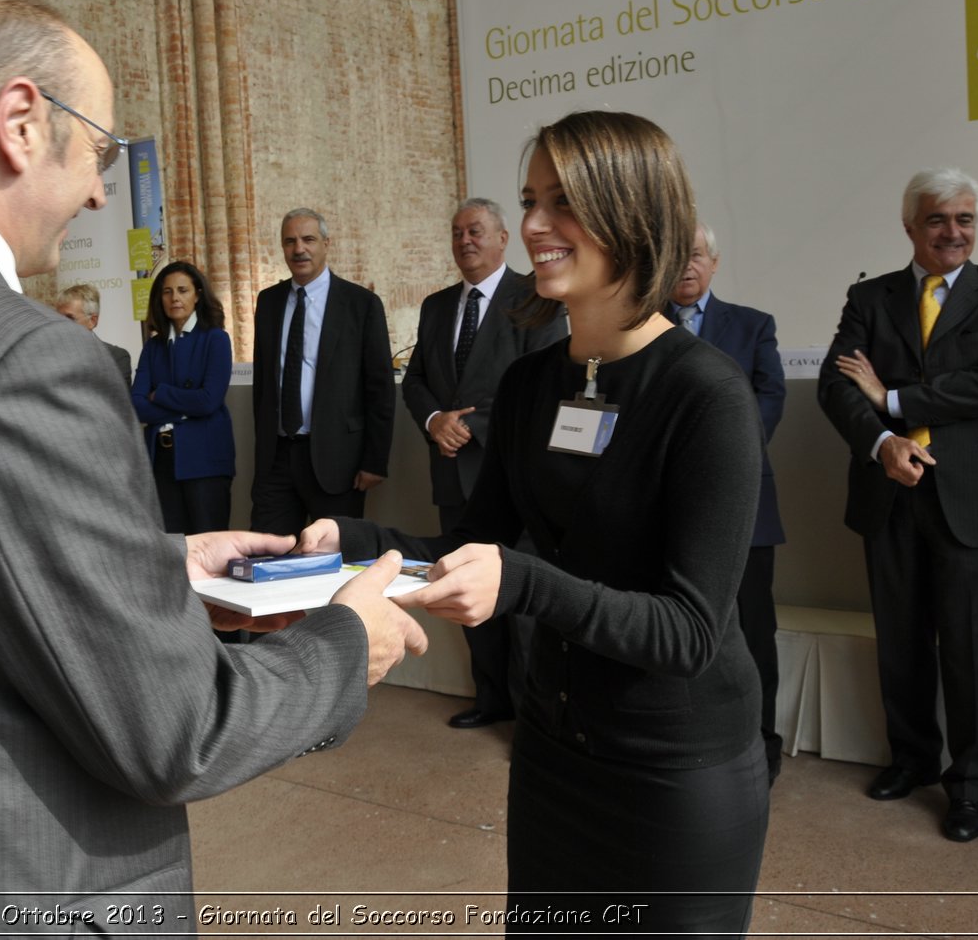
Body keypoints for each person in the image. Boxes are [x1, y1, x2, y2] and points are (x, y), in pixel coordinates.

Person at [0, 0, 425, 935]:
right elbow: (177, 731)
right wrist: (348, 644)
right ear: (20, 124)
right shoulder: (28, 355)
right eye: (100, 150)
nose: (104, 190)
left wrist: (152, 559)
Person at [302, 111, 769, 934]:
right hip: (553, 751)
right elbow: (466, 547)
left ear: (634, 212)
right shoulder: (528, 387)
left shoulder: (707, 394)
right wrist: (352, 538)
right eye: (530, 199)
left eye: (564, 201)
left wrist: (522, 582)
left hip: (673, 772)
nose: (533, 226)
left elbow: (689, 631)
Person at [817, 167, 978, 843]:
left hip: (970, 496)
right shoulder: (870, 296)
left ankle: (970, 787)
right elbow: (836, 383)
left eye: (964, 219)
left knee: (971, 651)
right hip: (890, 492)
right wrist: (880, 442)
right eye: (937, 219)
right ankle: (912, 759)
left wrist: (894, 400)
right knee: (900, 640)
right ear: (911, 226)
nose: (952, 232)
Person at [402, 198, 565, 729]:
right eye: (456, 233)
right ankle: (492, 701)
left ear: (502, 240)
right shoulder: (435, 306)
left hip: (514, 477)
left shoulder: (536, 297)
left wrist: (471, 424)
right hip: (453, 478)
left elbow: (544, 382)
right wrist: (434, 421)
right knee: (466, 596)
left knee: (519, 605)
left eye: (475, 231)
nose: (464, 241)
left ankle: (533, 718)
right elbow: (416, 381)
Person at [669, 222, 788, 783]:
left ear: (713, 264)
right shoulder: (639, 328)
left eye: (696, 256)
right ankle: (690, 739)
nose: (686, 266)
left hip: (746, 506)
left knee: (754, 630)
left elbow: (771, 397)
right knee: (675, 624)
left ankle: (763, 743)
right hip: (663, 506)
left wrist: (719, 451)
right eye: (676, 256)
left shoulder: (752, 325)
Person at [250, 208, 395, 536]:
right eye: (290, 241)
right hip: (277, 460)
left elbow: (380, 389)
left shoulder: (361, 304)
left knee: (336, 563)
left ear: (326, 244)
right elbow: (263, 386)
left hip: (337, 461)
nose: (299, 249)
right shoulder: (269, 302)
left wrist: (375, 461)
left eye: (308, 239)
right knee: (266, 555)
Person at [131, 261, 235, 534]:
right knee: (172, 553)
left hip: (204, 461)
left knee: (210, 550)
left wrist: (162, 393)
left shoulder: (215, 339)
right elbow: (138, 405)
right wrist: (185, 408)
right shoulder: (153, 346)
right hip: (161, 461)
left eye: (182, 290)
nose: (174, 298)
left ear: (198, 294)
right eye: (167, 292)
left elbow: (209, 400)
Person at [55, 281, 132, 385]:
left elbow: (114, 400)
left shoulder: (117, 358)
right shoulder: (49, 357)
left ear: (92, 321)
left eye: (70, 318)